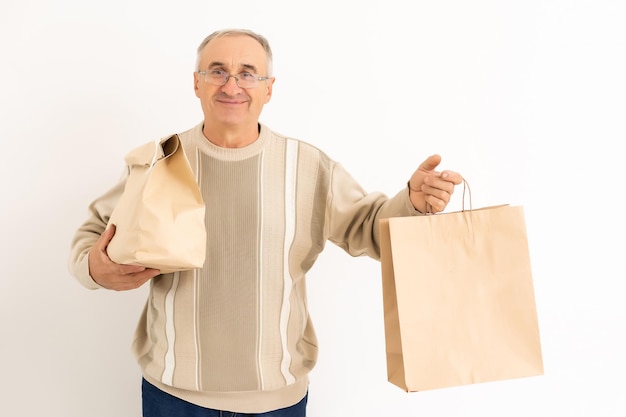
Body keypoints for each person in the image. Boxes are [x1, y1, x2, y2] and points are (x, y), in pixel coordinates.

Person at [68, 28, 463, 417]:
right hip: (173, 398)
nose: (232, 85)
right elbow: (91, 237)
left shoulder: (309, 167)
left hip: (278, 402)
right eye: (217, 71)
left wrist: (411, 202)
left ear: (269, 88)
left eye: (248, 73)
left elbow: (369, 228)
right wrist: (95, 268)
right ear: (196, 83)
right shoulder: (160, 161)